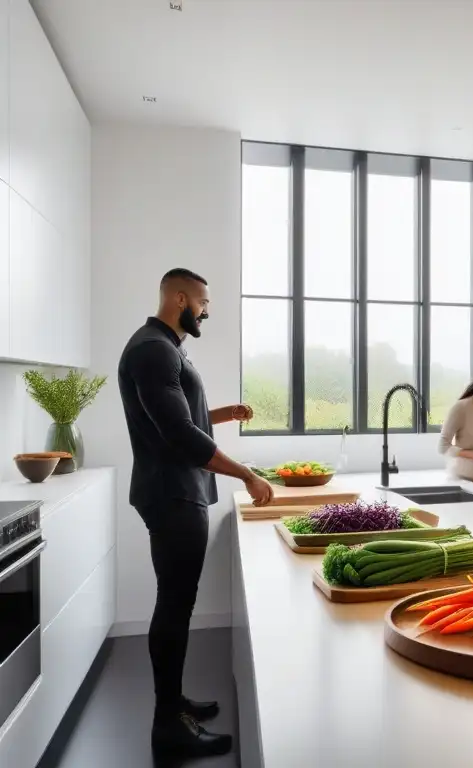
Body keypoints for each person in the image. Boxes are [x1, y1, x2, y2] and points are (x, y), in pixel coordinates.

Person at [117, 268, 275, 759]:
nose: (207, 310)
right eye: (203, 301)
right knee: (174, 605)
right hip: (172, 495)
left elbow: (176, 415)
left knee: (178, 604)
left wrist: (223, 413)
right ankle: (169, 724)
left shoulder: (164, 346)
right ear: (179, 297)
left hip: (177, 492)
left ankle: (174, 702)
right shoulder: (153, 349)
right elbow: (179, 436)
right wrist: (247, 474)